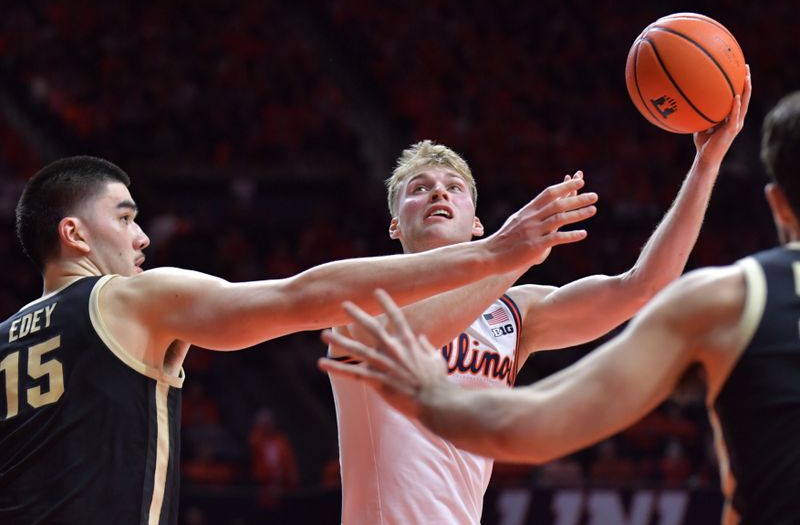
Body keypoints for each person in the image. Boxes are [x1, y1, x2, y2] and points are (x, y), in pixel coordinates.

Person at [0, 156, 596, 524]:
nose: (141, 239)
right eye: (126, 218)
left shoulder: (4, 340)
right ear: (75, 234)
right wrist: (495, 254)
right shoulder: (126, 297)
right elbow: (300, 298)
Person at [320, 88, 800, 525]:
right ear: (394, 226)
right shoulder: (359, 299)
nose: (438, 192)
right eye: (419, 188)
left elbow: (641, 288)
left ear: (478, 224)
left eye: (453, 186)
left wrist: (707, 163)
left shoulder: (513, 314)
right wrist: (513, 257)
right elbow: (414, 335)